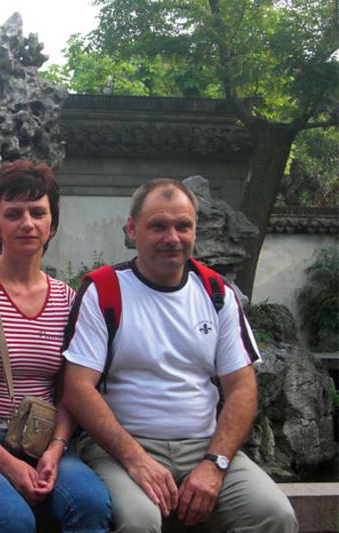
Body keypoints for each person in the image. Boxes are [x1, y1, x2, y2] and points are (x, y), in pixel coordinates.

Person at [63, 178, 298, 532]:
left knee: (274, 514)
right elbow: (78, 388)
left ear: (194, 230)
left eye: (182, 226)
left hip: (204, 444)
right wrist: (135, 458)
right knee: (139, 521)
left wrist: (215, 463)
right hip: (121, 447)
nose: (172, 238)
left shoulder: (217, 292)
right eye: (158, 225)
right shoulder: (104, 291)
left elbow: (242, 388)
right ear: (132, 228)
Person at [0, 160, 112, 533]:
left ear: (53, 224)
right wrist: (6, 463)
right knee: (11, 519)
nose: (27, 223)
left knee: (91, 504)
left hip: (43, 439)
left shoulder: (68, 300)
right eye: (13, 213)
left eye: (38, 213)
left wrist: (55, 449)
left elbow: (70, 390)